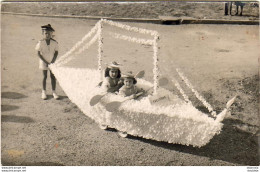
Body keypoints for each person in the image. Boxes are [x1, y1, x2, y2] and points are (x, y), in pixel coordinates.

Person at [35, 24, 59, 100]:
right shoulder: (40, 42)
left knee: (53, 76)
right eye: (46, 33)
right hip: (43, 61)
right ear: (43, 34)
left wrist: (52, 61)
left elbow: (56, 52)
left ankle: (54, 92)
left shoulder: (54, 43)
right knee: (44, 76)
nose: (47, 35)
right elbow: (38, 53)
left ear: (52, 34)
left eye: (49, 33)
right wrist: (45, 61)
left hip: (52, 61)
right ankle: (44, 92)